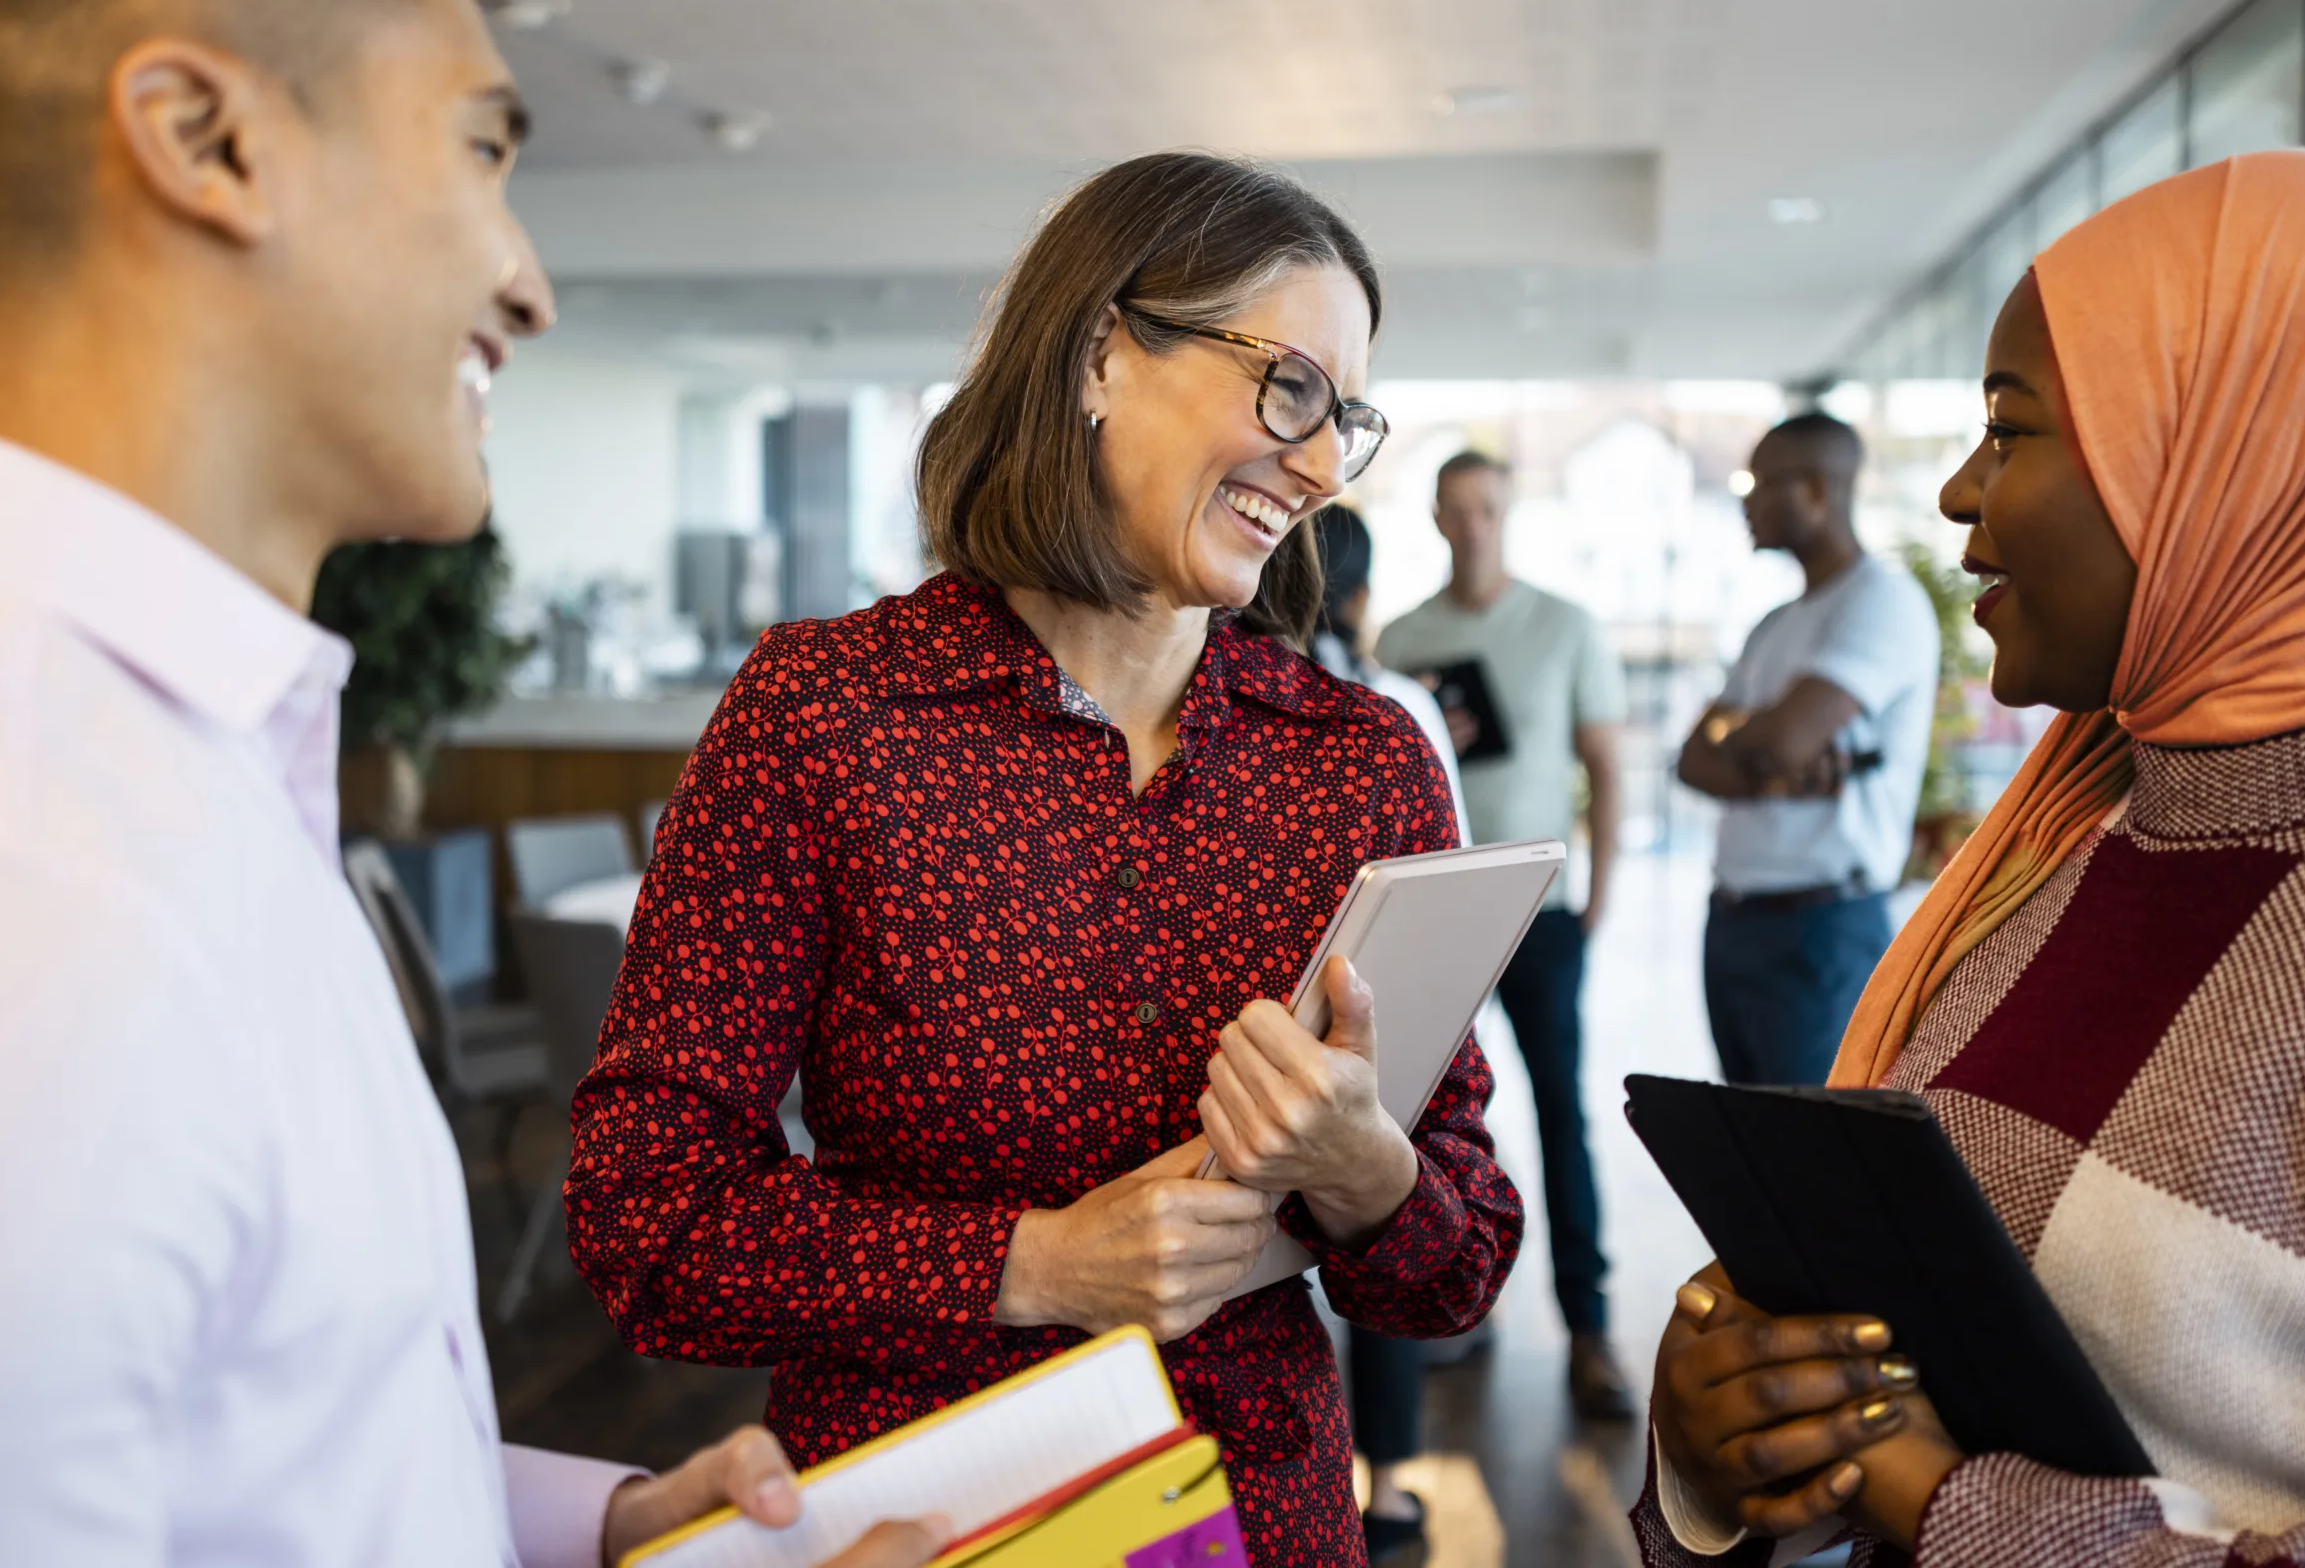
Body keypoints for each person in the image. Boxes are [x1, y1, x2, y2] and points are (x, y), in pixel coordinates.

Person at [0, 0, 942, 1565]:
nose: (527, 283)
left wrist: (587, 1526)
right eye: (479, 149)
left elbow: (254, 1435)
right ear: (204, 139)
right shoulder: (1, 874)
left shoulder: (161, 761)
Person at [567, 152, 1523, 1568]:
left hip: (1266, 1516)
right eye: (1291, 389)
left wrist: (1368, 1167)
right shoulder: (824, 718)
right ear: (1097, 353)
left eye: (1348, 417)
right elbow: (646, 1211)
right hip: (926, 1516)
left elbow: (1462, 1265)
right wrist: (1035, 1263)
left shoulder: (1360, 762)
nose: (1322, 467)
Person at [1638, 150, 2305, 1566]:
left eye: (2011, 432)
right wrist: (1735, 1446)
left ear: (2232, 457)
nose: (1957, 491)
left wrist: (1945, 1507)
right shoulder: (2063, 847)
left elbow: (1941, 1472)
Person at [1376, 449, 1634, 1419]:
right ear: (1438, 518)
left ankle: (1590, 1327)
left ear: (1507, 511)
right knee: (1433, 1117)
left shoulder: (1561, 627)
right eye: (1457, 510)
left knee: (1560, 1110)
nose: (1473, 524)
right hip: (1439, 909)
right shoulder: (1405, 638)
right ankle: (1450, 1307)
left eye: (1488, 507)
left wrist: (1600, 892)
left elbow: (1604, 763)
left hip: (1541, 913)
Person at [1676, 414, 1939, 1087]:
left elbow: (1786, 738)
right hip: (1737, 923)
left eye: (1761, 481)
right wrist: (1761, 762)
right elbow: (1692, 757)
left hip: (1821, 931)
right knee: (1751, 1150)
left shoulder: (1882, 600)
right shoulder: (1776, 624)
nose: (1746, 500)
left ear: (1819, 489)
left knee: (1810, 1160)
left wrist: (1744, 731)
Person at [1310, 504, 1468, 1566]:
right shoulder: (1391, 705)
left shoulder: (1350, 722)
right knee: (1380, 1208)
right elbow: (1449, 893)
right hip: (1388, 1013)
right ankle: (1395, 1472)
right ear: (1359, 593)